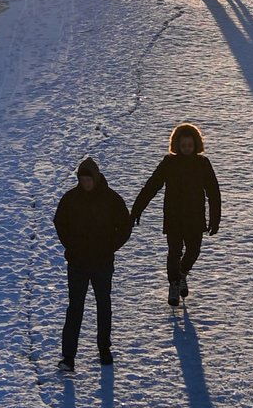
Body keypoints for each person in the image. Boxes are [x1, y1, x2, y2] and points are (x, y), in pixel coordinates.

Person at [53, 155, 132, 369]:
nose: (86, 183)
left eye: (89, 179)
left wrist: (110, 246)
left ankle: (104, 348)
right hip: (77, 263)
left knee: (103, 305)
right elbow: (60, 222)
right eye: (82, 180)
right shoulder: (71, 199)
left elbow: (125, 226)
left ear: (96, 178)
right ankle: (68, 356)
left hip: (102, 263)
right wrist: (71, 246)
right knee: (75, 308)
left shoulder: (111, 199)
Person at [132, 122, 221, 307]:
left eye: (190, 145)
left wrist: (215, 218)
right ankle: (174, 285)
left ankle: (181, 274)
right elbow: (151, 186)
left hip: (195, 217)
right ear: (177, 145)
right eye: (183, 145)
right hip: (174, 217)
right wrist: (137, 209)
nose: (186, 149)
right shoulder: (169, 163)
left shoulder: (202, 164)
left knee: (194, 251)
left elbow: (213, 192)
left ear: (195, 145)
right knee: (174, 252)